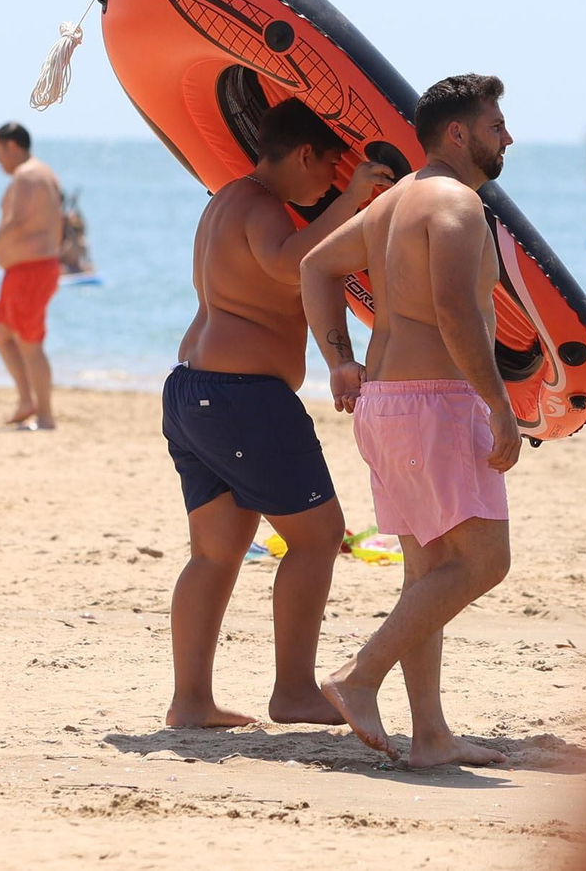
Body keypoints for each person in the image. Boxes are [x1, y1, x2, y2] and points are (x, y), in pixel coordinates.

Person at [299, 74, 518, 768]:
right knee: (485, 561)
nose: (507, 137)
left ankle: (430, 737)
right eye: (495, 125)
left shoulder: (393, 203)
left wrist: (338, 357)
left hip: (386, 402)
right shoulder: (457, 204)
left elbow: (314, 265)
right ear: (458, 134)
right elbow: (456, 313)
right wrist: (499, 406)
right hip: (436, 402)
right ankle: (358, 677)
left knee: (427, 570)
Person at [161, 97, 392, 729]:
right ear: (304, 154)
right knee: (318, 537)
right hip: (243, 400)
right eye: (331, 169)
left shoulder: (225, 200)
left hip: (192, 391)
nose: (331, 183)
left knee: (215, 553)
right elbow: (293, 264)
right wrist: (351, 203)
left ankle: (191, 703)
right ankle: (292, 692)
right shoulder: (263, 207)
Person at [0, 122, 64, 429]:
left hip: (32, 270)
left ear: (12, 146)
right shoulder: (42, 173)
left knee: (30, 342)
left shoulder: (28, 175)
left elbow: (14, 224)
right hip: (27, 269)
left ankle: (45, 415)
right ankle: (27, 401)